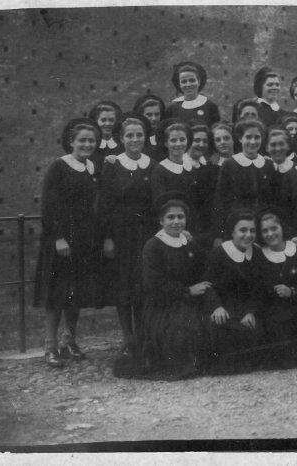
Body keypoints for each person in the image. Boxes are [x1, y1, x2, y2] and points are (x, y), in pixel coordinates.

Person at [114, 194, 212, 380]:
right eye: (170, 217)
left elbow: (202, 268)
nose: (176, 222)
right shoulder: (153, 246)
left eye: (181, 217)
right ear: (161, 221)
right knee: (182, 331)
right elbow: (154, 284)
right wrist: (188, 291)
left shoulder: (188, 242)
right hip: (162, 306)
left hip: (188, 301)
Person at [33, 118, 102, 368]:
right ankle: (50, 346)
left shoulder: (92, 167)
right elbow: (49, 205)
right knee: (56, 294)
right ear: (71, 142)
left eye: (91, 141)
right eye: (82, 140)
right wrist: (58, 237)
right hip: (61, 240)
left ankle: (69, 340)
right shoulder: (59, 166)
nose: (87, 144)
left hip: (84, 240)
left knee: (76, 292)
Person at [99, 116, 158, 355]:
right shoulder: (113, 164)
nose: (135, 139)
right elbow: (104, 203)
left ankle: (143, 336)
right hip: (121, 235)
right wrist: (107, 237)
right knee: (124, 285)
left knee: (144, 284)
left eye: (139, 135)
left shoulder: (152, 165)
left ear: (145, 137)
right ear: (121, 139)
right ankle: (128, 338)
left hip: (146, 235)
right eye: (129, 135)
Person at [256, 209, 297, 364]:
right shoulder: (259, 256)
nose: (270, 234)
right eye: (265, 231)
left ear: (282, 228)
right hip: (275, 309)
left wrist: (292, 291)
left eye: (274, 228)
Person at [202, 210, 264, 364]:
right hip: (224, 308)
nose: (248, 235)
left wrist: (250, 312)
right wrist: (216, 307)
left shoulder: (257, 252)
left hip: (248, 309)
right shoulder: (218, 253)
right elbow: (208, 285)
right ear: (232, 232)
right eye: (243, 230)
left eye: (252, 231)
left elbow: (259, 288)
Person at [214, 119, 275, 239]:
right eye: (248, 137)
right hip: (237, 224)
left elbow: (272, 199)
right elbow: (221, 200)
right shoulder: (230, 164)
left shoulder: (268, 164)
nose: (253, 141)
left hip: (263, 224)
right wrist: (219, 233)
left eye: (257, 137)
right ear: (240, 138)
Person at [184, 121, 219, 246]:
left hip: (206, 229)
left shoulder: (211, 168)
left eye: (205, 141)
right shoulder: (180, 166)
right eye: (197, 140)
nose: (201, 144)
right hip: (185, 227)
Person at [165, 61, 220, 127]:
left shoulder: (210, 106)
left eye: (192, 80)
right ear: (179, 84)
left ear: (199, 82)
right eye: (184, 81)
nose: (188, 84)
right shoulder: (172, 109)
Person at [88, 100, 123, 167]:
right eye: (103, 120)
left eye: (111, 120)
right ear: (96, 121)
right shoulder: (90, 144)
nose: (107, 124)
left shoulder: (121, 143)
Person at [132, 94, 166, 161]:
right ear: (141, 115)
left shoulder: (164, 135)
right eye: (149, 115)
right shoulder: (135, 136)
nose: (154, 118)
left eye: (157, 114)